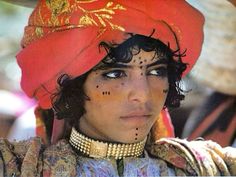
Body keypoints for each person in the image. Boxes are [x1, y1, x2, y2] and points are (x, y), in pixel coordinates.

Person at [0, 0, 235, 176]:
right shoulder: (18, 167)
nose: (142, 94)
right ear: (71, 85)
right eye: (114, 74)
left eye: (157, 71)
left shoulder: (205, 166)